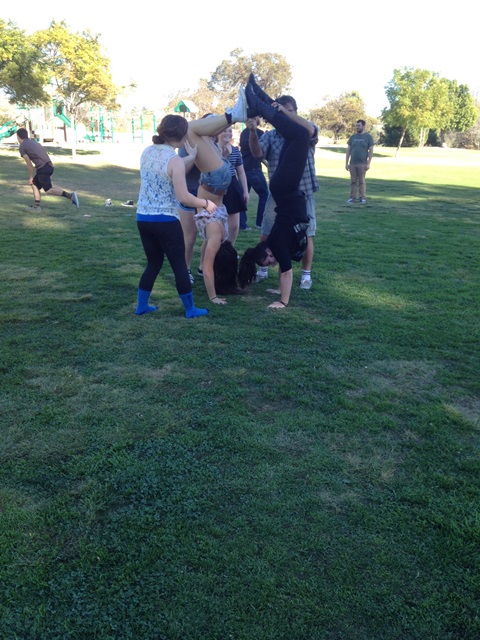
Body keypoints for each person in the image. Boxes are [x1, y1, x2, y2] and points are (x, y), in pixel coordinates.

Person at [238, 79, 311, 310]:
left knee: (302, 135)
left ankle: (259, 105)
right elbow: (283, 270)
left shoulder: (276, 245)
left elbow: (287, 272)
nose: (272, 262)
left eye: (267, 259)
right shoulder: (277, 246)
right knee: (293, 135)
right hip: (284, 189)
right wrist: (278, 289)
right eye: (269, 263)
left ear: (268, 250)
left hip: (285, 188)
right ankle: (261, 97)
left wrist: (282, 301)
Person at [135, 114, 217, 318]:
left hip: (143, 217)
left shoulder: (147, 152)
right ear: (181, 136)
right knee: (179, 265)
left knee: (153, 263)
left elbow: (171, 168)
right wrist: (205, 203)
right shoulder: (174, 160)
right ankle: (190, 309)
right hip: (166, 220)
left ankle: (141, 306)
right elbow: (184, 197)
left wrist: (191, 156)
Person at [187, 89, 248, 305]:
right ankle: (233, 116)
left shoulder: (219, 234)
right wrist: (212, 297)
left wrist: (214, 295)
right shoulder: (215, 235)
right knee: (191, 129)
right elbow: (208, 267)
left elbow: (209, 267)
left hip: (219, 178)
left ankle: (233, 116)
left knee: (197, 132)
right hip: (215, 178)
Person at [16, 128, 79, 211]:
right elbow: (44, 154)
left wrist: (31, 177)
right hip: (48, 166)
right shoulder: (34, 142)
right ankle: (36, 206)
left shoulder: (22, 146)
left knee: (49, 190)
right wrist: (50, 169)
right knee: (34, 184)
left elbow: (29, 163)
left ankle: (71, 196)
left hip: (43, 168)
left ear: (18, 136)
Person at [218, 125, 249, 245]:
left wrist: (245, 191)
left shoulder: (235, 150)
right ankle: (216, 250)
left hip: (232, 186)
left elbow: (241, 172)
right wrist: (224, 156)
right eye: (224, 131)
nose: (228, 133)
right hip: (217, 186)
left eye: (230, 131)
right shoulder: (212, 149)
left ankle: (230, 250)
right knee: (218, 226)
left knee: (234, 226)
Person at [239, 116, 269, 229]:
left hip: (244, 169)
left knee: (243, 196)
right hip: (254, 169)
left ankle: (242, 224)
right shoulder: (259, 133)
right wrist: (268, 165)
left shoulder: (243, 133)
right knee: (264, 194)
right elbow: (260, 154)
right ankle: (260, 222)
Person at [345, 119, 374, 203]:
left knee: (361, 181)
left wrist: (368, 163)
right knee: (353, 181)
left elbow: (371, 151)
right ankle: (352, 198)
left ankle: (362, 198)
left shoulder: (368, 137)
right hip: (353, 163)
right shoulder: (353, 137)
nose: (357, 127)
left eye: (359, 126)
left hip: (362, 163)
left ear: (363, 126)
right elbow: (348, 151)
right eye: (356, 126)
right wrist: (346, 163)